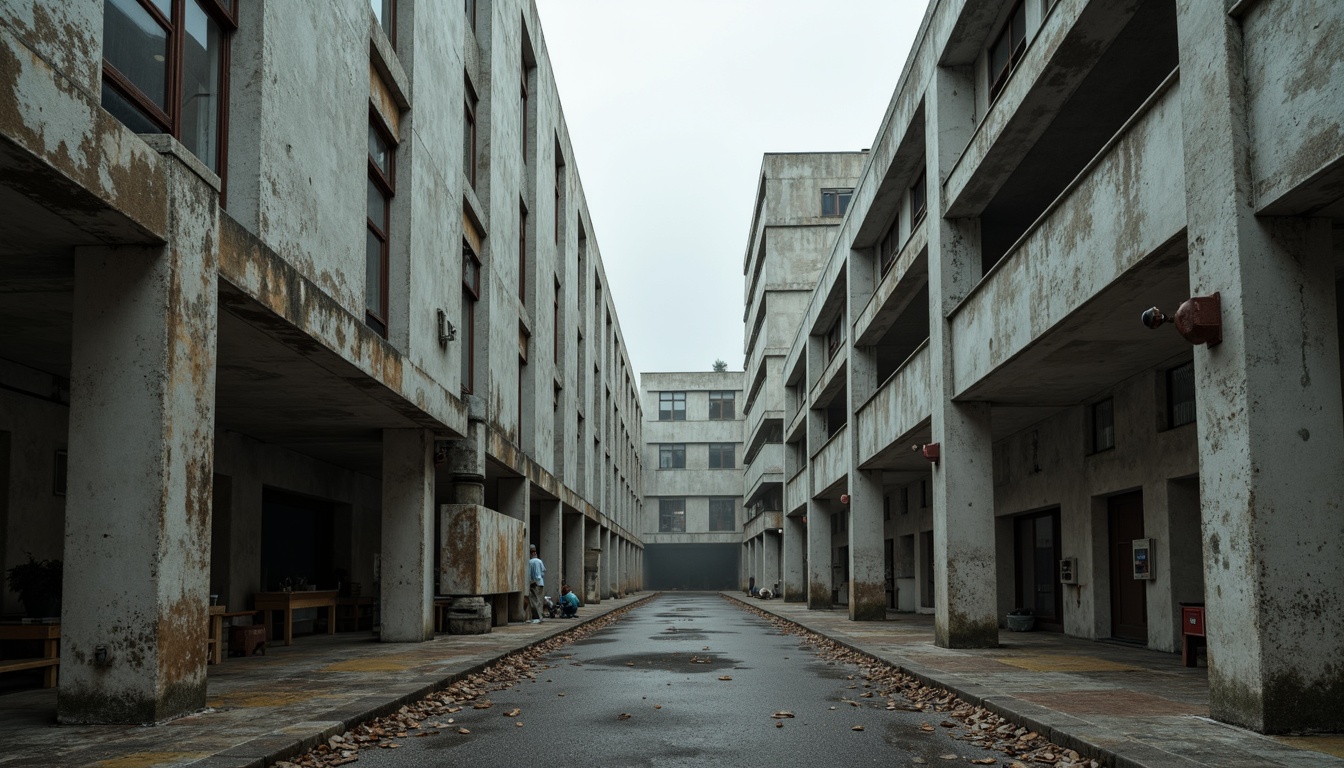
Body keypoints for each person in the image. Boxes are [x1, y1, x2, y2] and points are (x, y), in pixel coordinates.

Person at [527, 544, 546, 624]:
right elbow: (543, 572)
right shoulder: (539, 561)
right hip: (541, 583)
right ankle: (540, 616)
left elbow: (530, 574)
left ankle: (536, 617)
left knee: (534, 601)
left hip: (533, 583)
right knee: (540, 600)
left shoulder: (529, 562)